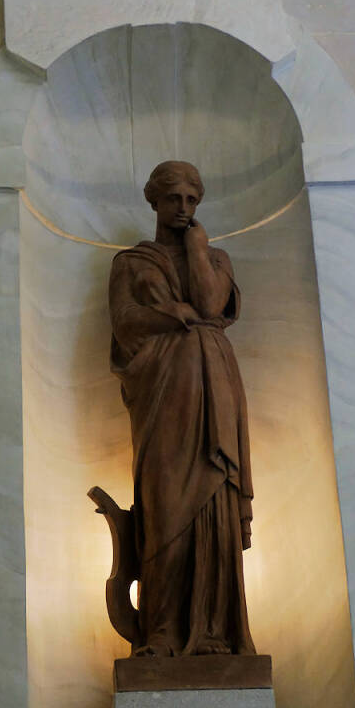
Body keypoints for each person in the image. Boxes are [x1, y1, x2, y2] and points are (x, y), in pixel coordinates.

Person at [108, 160, 256, 657]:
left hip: (215, 390)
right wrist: (167, 314)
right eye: (173, 198)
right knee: (165, 501)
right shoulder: (131, 263)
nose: (183, 208)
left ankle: (213, 631)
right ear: (154, 200)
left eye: (192, 199)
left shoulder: (215, 259)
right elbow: (125, 323)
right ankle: (162, 631)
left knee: (213, 497)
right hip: (162, 394)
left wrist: (197, 248)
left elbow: (211, 307)